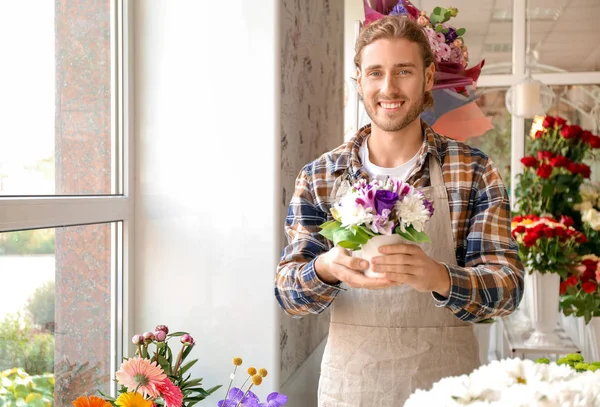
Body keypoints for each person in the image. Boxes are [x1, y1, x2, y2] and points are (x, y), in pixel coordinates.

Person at [275, 15, 524, 406]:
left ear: (427, 78)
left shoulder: (473, 171)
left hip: (449, 391)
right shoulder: (321, 175)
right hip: (352, 389)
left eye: (403, 71)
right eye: (375, 72)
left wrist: (439, 277)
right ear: (360, 80)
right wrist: (325, 268)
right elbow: (288, 293)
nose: (388, 87)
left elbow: (507, 288)